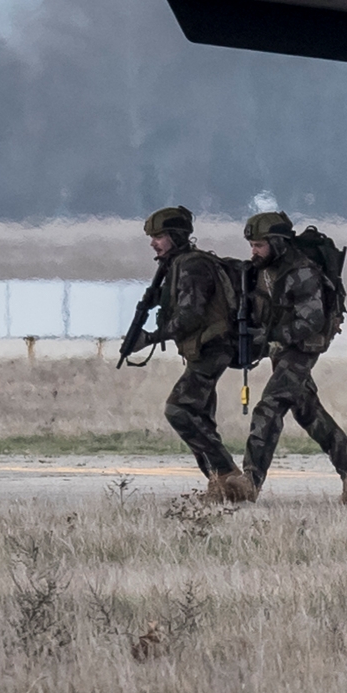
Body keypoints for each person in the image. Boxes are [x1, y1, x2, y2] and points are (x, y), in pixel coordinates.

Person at [239, 209, 347, 503]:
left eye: (259, 245)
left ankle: (250, 481)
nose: (254, 251)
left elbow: (310, 322)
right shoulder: (262, 271)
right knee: (306, 409)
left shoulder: (302, 272)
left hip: (303, 347)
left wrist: (271, 337)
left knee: (269, 407)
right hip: (282, 347)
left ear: (278, 242)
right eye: (252, 245)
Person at [137, 204, 250, 502]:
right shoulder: (178, 264)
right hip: (206, 348)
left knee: (179, 409)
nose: (153, 242)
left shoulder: (191, 266)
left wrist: (151, 337)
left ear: (175, 236)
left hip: (214, 347)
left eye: (159, 236)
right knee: (200, 417)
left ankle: (230, 476)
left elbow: (190, 315)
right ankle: (220, 486)